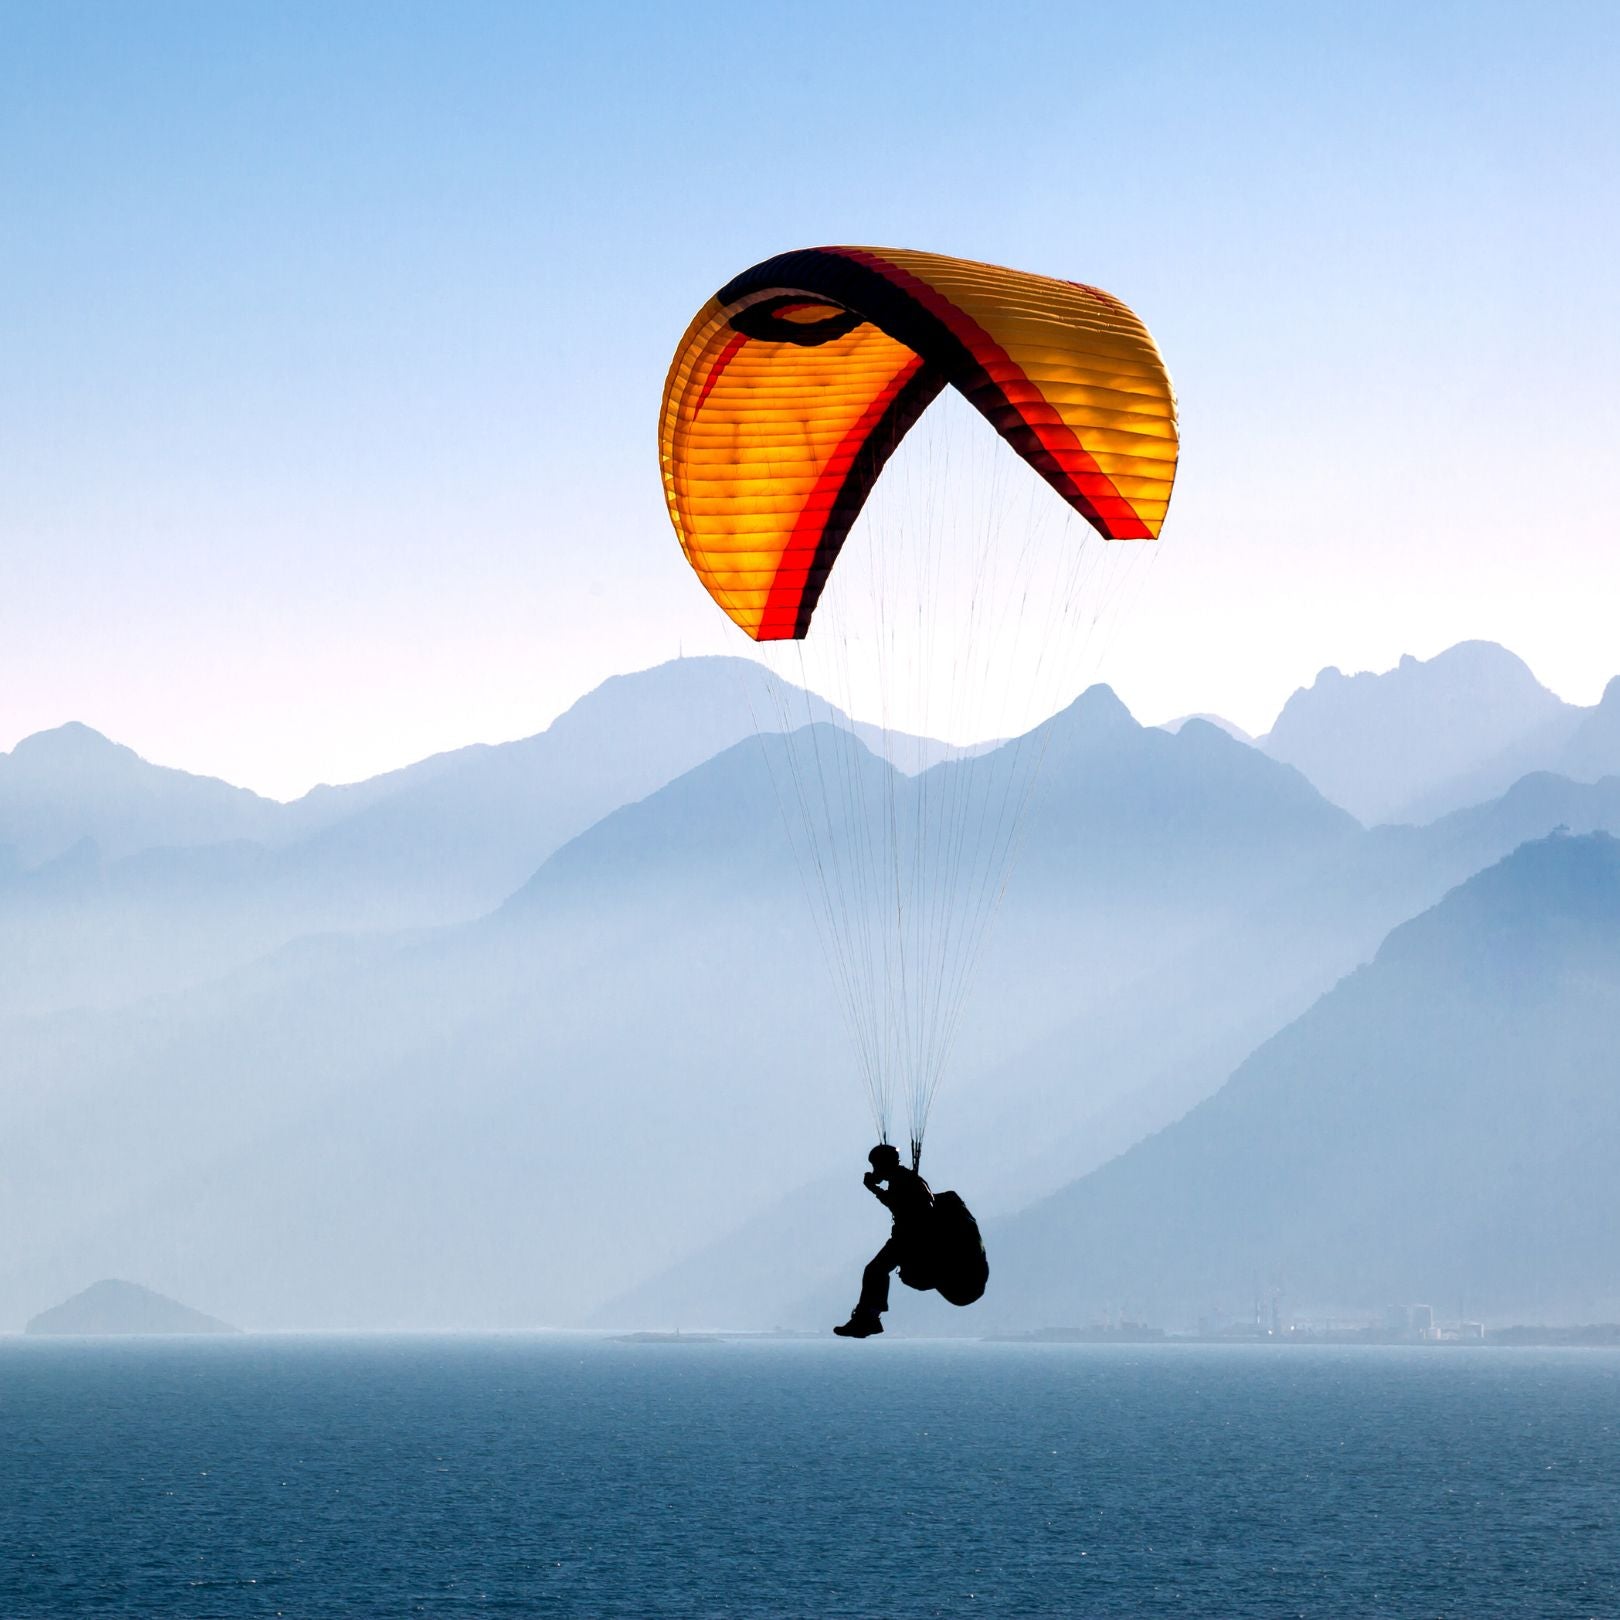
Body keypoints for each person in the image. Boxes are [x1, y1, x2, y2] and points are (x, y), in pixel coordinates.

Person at [834, 1144, 934, 1338]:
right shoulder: (905, 1178)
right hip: (910, 1236)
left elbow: (897, 1205)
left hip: (910, 1237)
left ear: (883, 1165)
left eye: (876, 1166)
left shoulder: (903, 1180)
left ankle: (867, 1320)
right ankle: (869, 1318)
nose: (874, 1170)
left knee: (875, 1271)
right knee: (876, 1271)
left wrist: (873, 1188)